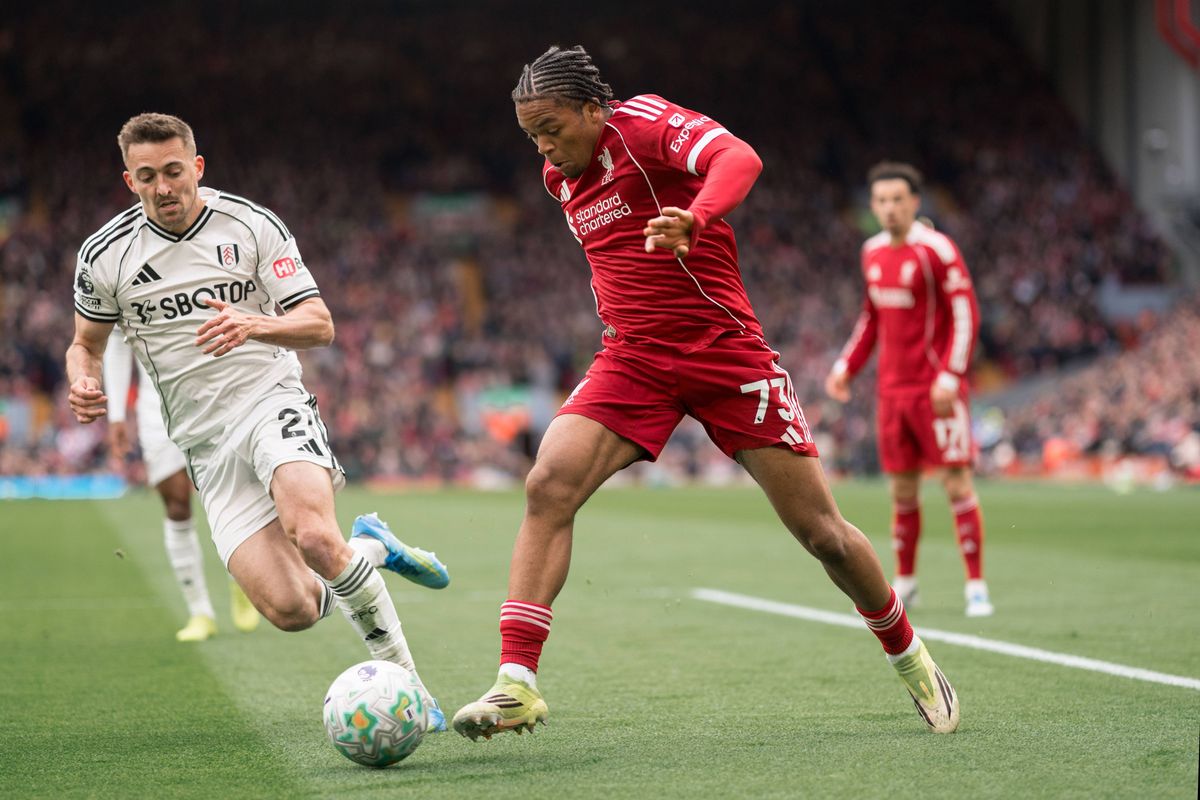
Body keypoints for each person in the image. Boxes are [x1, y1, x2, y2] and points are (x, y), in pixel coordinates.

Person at [452, 46, 960, 740]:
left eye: (551, 127)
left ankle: (912, 658)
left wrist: (697, 216)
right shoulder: (558, 177)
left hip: (725, 355)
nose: (542, 147)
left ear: (593, 109)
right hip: (633, 360)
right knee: (549, 483)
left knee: (824, 535)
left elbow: (739, 159)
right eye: (530, 134)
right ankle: (517, 684)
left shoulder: (646, 125)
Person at [67, 113, 451, 729]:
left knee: (317, 537)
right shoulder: (105, 255)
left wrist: (255, 324)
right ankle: (374, 549)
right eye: (147, 177)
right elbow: (85, 342)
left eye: (173, 171)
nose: (163, 187)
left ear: (197, 167)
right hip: (204, 443)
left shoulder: (250, 225)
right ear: (128, 181)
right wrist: (81, 378)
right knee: (291, 608)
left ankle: (413, 687)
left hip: (270, 399)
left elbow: (319, 324)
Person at [825, 162, 993, 617]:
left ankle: (976, 585)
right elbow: (871, 317)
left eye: (898, 199)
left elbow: (965, 314)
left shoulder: (936, 250)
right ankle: (907, 581)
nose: (890, 208)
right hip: (892, 391)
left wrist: (950, 376)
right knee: (901, 490)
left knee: (956, 483)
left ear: (915, 202)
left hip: (935, 388)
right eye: (881, 201)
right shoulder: (872, 252)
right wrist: (846, 366)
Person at [103, 328, 260, 641]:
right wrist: (117, 415)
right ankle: (200, 612)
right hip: (157, 407)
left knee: (227, 496)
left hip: (215, 398)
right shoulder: (123, 279)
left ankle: (240, 577)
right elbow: (117, 345)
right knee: (176, 503)